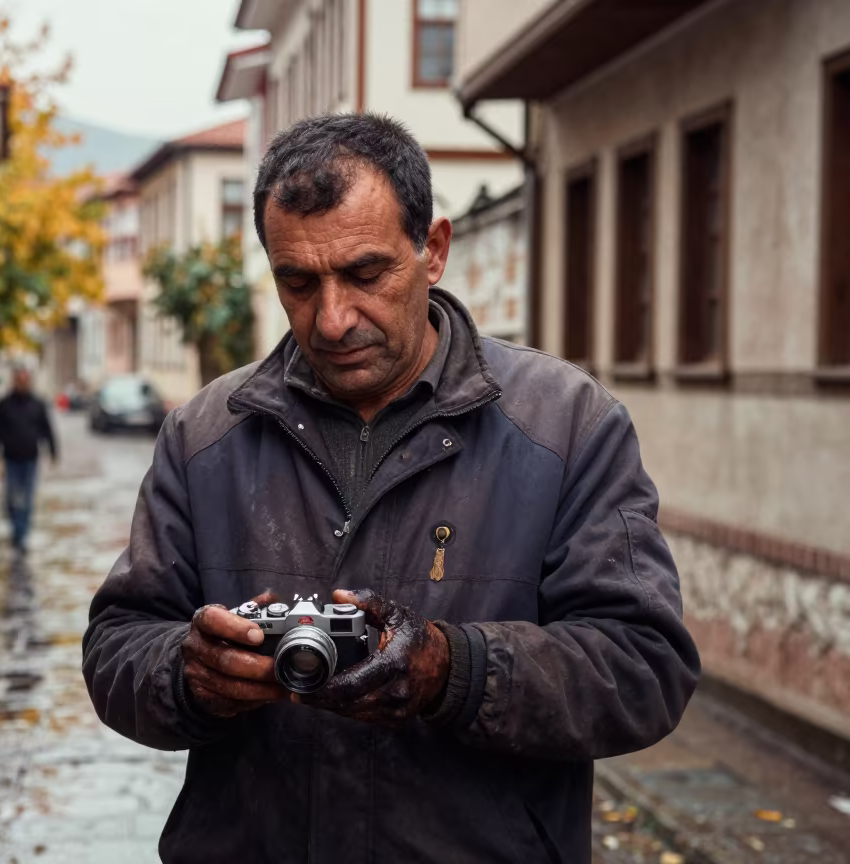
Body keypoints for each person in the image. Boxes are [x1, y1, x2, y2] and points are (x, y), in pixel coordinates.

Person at [82, 114, 699, 863]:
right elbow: (117, 646)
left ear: (432, 250)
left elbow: (643, 667)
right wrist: (190, 673)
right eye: (298, 283)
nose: (333, 318)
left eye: (366, 275)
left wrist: (453, 670)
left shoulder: (568, 426)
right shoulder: (206, 435)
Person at [0, 368, 57, 554]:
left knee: (28, 499)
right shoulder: (5, 404)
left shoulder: (37, 404)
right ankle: (16, 530)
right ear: (14, 382)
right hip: (10, 458)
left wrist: (54, 451)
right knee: (12, 498)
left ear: (29, 382)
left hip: (31, 458)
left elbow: (47, 429)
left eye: (25, 380)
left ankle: (21, 535)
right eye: (19, 380)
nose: (22, 383)